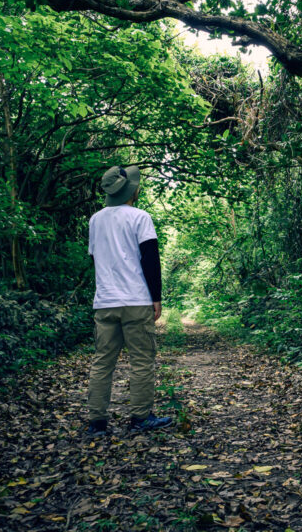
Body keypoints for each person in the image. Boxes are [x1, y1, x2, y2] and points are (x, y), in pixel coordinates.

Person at [85, 165, 173, 436]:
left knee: (103, 361)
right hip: (135, 300)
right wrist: (156, 298)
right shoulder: (140, 217)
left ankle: (97, 423)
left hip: (105, 301)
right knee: (142, 360)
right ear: (133, 190)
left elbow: (94, 258)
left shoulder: (95, 220)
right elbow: (150, 260)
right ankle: (140, 418)